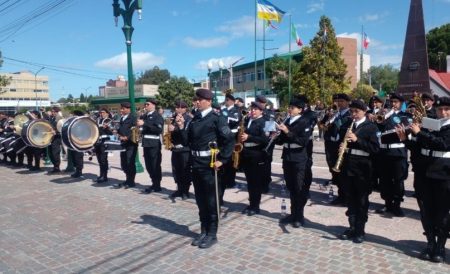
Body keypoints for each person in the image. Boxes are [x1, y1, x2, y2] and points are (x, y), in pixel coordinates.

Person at [178, 88, 234, 249]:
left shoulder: (217, 118)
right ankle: (203, 231)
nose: (196, 102)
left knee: (211, 200)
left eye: (199, 100)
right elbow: (187, 141)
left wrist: (222, 160)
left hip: (209, 164)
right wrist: (182, 127)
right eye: (195, 100)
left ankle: (212, 234)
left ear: (208, 101)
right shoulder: (195, 118)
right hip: (196, 162)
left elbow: (229, 139)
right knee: (200, 200)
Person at [397, 96, 450, 263]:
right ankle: (430, 244)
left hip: (443, 174)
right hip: (425, 173)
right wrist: (407, 141)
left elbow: (443, 145)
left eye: (447, 109)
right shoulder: (430, 124)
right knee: (426, 211)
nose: (443, 112)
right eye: (440, 109)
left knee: (442, 213)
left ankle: (440, 247)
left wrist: (421, 133)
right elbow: (420, 147)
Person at [338, 100, 379, 244]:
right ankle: (351, 227)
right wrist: (342, 146)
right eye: (352, 111)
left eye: (356, 112)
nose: (353, 114)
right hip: (348, 167)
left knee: (362, 200)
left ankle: (360, 230)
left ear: (364, 112)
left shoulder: (371, 127)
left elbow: (374, 149)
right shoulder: (346, 126)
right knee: (350, 198)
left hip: (363, 168)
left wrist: (357, 139)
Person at [277, 98, 312, 228]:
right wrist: (276, 136)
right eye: (289, 107)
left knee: (299, 188)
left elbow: (302, 142)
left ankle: (299, 216)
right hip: (287, 156)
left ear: (300, 110)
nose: (289, 109)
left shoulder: (305, 122)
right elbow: (281, 140)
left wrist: (287, 132)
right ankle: (292, 214)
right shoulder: (287, 120)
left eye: (292, 108)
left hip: (299, 157)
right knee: (291, 187)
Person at [376, 93, 411, 217]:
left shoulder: (405, 116)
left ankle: (397, 205)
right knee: (385, 179)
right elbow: (377, 128)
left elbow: (408, 131)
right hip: (384, 152)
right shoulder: (383, 116)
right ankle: (387, 203)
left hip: (398, 153)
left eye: (396, 102)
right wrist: (381, 117)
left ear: (401, 104)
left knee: (398, 180)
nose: (393, 104)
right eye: (392, 102)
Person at [320, 93, 352, 205]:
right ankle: (341, 195)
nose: (338, 103)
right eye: (337, 101)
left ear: (347, 102)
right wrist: (328, 116)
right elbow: (322, 125)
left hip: (341, 145)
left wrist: (336, 118)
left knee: (343, 171)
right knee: (334, 169)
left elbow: (344, 127)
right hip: (330, 144)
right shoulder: (332, 113)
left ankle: (346, 196)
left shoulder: (350, 114)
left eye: (341, 101)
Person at [240, 101, 269, 216]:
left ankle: (255, 206)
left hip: (256, 154)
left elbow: (265, 140)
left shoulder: (265, 122)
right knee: (250, 181)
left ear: (261, 111)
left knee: (256, 182)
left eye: (255, 109)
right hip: (246, 152)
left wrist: (249, 137)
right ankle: (251, 203)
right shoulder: (248, 120)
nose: (252, 111)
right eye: (251, 109)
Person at [138, 98, 164, 193]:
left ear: (153, 105)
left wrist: (145, 124)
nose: (145, 106)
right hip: (146, 144)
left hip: (154, 144)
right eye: (145, 104)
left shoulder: (157, 116)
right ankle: (153, 183)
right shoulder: (145, 116)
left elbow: (158, 130)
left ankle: (157, 185)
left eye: (147, 104)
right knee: (148, 165)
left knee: (155, 165)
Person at [219, 93, 240, 204]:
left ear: (231, 100)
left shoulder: (236, 110)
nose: (225, 101)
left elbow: (235, 121)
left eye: (227, 100)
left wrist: (224, 118)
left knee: (230, 162)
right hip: (223, 138)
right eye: (225, 100)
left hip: (232, 138)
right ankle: (225, 184)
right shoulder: (223, 110)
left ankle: (230, 181)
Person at [169, 100, 192, 199]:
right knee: (176, 170)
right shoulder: (173, 118)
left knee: (185, 171)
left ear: (184, 108)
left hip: (184, 149)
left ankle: (185, 191)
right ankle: (179, 189)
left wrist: (175, 129)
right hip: (175, 148)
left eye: (179, 107)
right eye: (176, 107)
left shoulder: (188, 119)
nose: (177, 109)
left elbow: (186, 133)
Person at [114, 102, 138, 189]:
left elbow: (135, 130)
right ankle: (127, 179)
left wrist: (127, 137)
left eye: (123, 108)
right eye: (121, 108)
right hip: (123, 144)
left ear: (128, 109)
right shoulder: (122, 118)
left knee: (130, 162)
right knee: (123, 163)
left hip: (131, 143)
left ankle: (131, 181)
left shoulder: (133, 118)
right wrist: (117, 133)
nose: (121, 110)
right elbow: (121, 129)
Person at [94, 108, 113, 183]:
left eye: (103, 112)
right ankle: (101, 174)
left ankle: (105, 176)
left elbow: (112, 132)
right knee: (99, 160)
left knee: (103, 159)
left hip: (104, 142)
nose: (102, 114)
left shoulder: (109, 121)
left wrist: (107, 128)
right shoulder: (98, 120)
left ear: (107, 113)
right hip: (97, 142)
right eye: (101, 112)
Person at [69, 110, 86, 178]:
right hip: (74, 141)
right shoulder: (74, 123)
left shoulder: (82, 123)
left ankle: (79, 171)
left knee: (78, 157)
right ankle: (77, 170)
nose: (73, 116)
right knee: (74, 156)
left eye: (74, 115)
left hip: (80, 142)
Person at [47, 107, 62, 173]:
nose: (52, 113)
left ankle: (57, 167)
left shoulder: (59, 119)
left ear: (57, 112)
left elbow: (61, 129)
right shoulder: (51, 118)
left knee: (55, 153)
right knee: (50, 153)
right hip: (50, 138)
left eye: (54, 111)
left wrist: (56, 132)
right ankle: (54, 166)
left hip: (57, 138)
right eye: (52, 111)